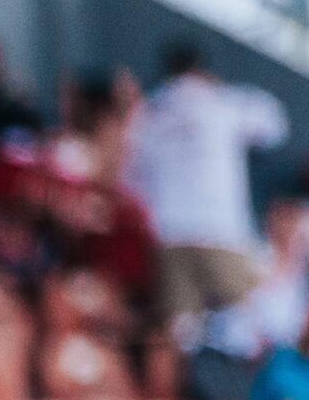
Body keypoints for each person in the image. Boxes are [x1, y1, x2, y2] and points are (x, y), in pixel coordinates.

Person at [124, 45, 291, 323]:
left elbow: (132, 173)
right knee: (246, 323)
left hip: (168, 234)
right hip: (220, 233)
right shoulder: (223, 102)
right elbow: (275, 124)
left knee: (181, 331)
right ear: (202, 69)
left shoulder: (151, 110)